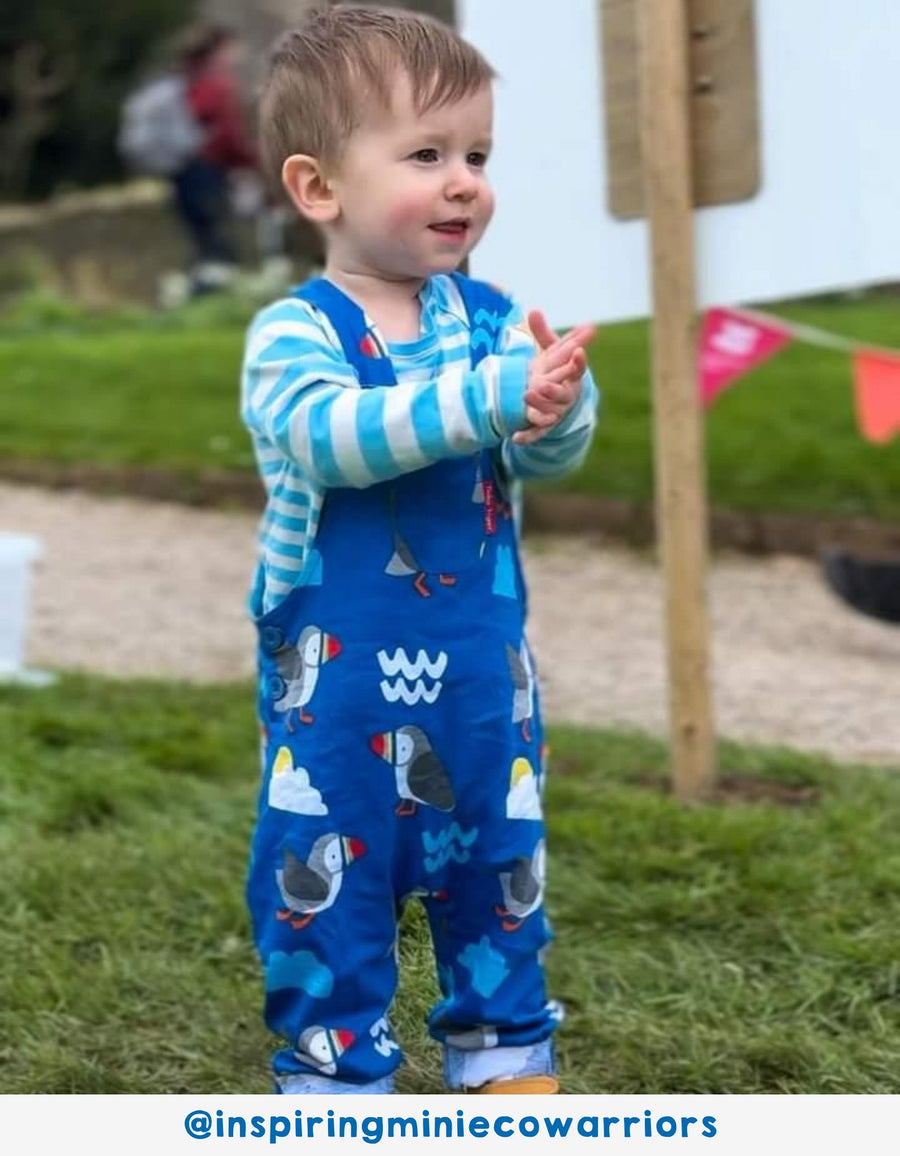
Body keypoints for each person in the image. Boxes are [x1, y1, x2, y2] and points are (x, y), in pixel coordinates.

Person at [240, 3, 599, 1096]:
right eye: (428, 154)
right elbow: (333, 439)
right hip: (338, 693)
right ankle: (335, 1065)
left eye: (478, 155)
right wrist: (495, 397)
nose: (464, 181)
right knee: (328, 876)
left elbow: (536, 463)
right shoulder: (296, 332)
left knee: (500, 858)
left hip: (485, 681)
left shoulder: (489, 317)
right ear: (319, 188)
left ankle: (503, 1051)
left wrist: (549, 414)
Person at [173, 23, 258, 294]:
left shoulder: (186, 81)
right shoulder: (217, 86)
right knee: (216, 236)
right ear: (220, 50)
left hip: (183, 168)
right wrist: (252, 159)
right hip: (209, 169)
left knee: (200, 236)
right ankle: (213, 295)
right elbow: (227, 135)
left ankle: (201, 292)